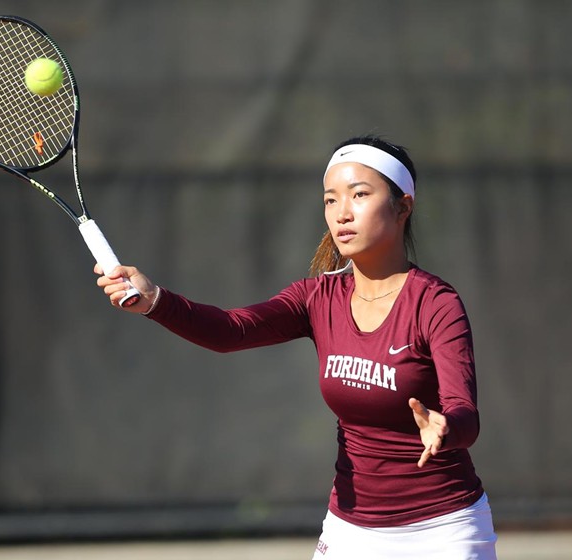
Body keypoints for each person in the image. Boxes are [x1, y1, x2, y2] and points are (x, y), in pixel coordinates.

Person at [95, 135, 498, 559]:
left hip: (443, 529)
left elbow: (465, 415)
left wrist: (445, 428)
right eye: (330, 199)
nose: (342, 213)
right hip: (350, 529)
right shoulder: (317, 298)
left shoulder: (435, 302)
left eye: (360, 195)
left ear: (403, 206)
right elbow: (231, 330)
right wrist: (156, 300)